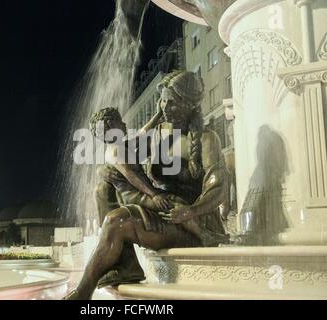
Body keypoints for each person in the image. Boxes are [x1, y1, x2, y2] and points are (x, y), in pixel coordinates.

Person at [66, 71, 229, 300]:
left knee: (116, 222)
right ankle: (125, 263)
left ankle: (82, 294)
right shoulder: (158, 135)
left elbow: (219, 186)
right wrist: (108, 170)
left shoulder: (207, 139)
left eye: (172, 102)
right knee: (103, 183)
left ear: (190, 104)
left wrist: (190, 211)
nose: (165, 107)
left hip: (192, 220)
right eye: (162, 100)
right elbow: (125, 159)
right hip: (163, 209)